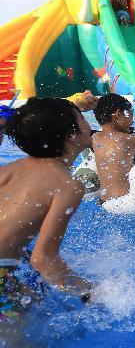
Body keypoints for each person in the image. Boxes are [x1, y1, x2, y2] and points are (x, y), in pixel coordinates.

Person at [0, 98, 94, 315]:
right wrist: (89, 291)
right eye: (82, 117)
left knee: (32, 300)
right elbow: (43, 259)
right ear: (72, 135)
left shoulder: (9, 169)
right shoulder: (67, 185)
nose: (88, 122)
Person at [92, 94, 135, 203]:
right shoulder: (132, 139)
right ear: (118, 114)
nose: (132, 120)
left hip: (103, 200)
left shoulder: (94, 138)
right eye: (130, 113)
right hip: (124, 202)